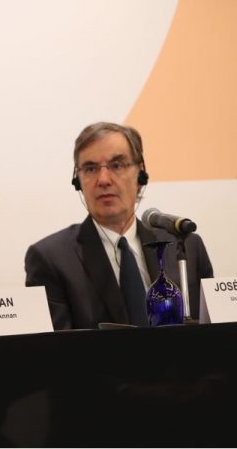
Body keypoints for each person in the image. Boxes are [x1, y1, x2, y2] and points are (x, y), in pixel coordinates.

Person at [25, 122, 213, 330]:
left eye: (117, 165)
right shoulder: (50, 259)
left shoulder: (186, 247)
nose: (103, 180)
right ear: (78, 181)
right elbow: (55, 348)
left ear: (140, 175)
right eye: (90, 168)